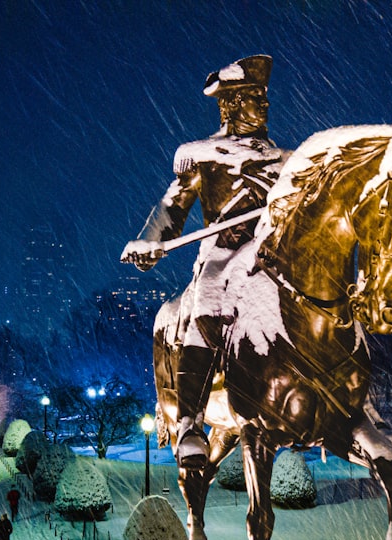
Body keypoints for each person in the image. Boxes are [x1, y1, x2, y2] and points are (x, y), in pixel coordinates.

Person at [121, 54, 289, 470]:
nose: (264, 105)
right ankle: (192, 423)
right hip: (221, 259)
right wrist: (150, 242)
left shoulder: (287, 161)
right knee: (207, 306)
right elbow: (172, 208)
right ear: (230, 106)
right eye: (254, 97)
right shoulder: (203, 155)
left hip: (267, 263)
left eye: (264, 97)